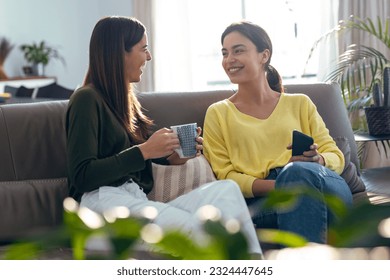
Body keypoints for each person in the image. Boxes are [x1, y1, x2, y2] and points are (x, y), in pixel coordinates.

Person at [65, 16, 262, 257]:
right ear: (120, 53)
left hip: (134, 199)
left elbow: (132, 162)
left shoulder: (125, 102)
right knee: (192, 230)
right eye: (143, 49)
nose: (148, 57)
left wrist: (168, 159)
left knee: (226, 191)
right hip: (98, 207)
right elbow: (82, 176)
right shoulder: (86, 99)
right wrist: (146, 150)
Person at [203, 20, 353, 245]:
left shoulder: (300, 103)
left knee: (298, 172)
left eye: (238, 50)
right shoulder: (218, 113)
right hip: (266, 198)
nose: (229, 59)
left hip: (323, 184)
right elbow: (226, 175)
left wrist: (319, 159)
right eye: (225, 53)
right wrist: (285, 185)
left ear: (264, 55)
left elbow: (336, 156)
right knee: (295, 180)